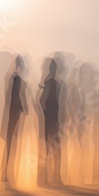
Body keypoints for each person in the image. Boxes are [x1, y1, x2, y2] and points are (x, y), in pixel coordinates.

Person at [1, 56, 27, 187]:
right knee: (12, 145)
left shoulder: (10, 80)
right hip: (15, 115)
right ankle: (7, 173)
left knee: (10, 145)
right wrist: (24, 108)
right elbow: (17, 98)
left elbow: (10, 98)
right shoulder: (17, 81)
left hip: (13, 114)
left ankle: (6, 173)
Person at [39, 57, 64, 186]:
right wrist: (49, 116)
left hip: (51, 120)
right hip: (51, 120)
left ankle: (48, 179)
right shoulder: (51, 83)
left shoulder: (49, 82)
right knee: (53, 149)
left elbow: (43, 102)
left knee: (50, 150)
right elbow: (42, 101)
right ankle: (53, 179)